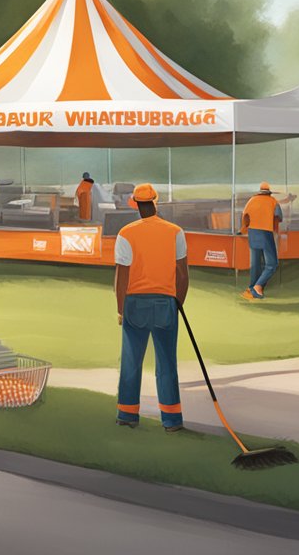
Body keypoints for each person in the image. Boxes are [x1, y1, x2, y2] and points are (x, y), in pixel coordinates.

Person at [113, 183, 188, 432]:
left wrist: (121, 309)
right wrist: (178, 302)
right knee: (167, 363)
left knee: (131, 361)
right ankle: (172, 420)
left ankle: (127, 414)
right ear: (156, 201)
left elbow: (121, 275)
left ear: (134, 203)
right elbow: (182, 273)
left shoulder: (126, 233)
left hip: (135, 302)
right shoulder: (175, 231)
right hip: (166, 301)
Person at [240, 181, 283, 301]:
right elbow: (279, 217)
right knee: (272, 264)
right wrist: (274, 228)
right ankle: (257, 287)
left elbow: (245, 217)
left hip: (252, 233)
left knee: (255, 264)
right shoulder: (273, 201)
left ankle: (250, 289)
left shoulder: (251, 200)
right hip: (265, 232)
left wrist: (243, 229)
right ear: (269, 193)